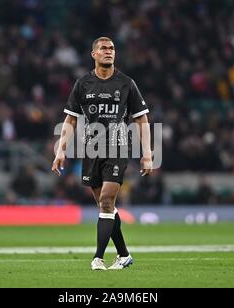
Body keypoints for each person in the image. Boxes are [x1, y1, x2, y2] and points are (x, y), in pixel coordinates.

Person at [52, 37, 153, 270]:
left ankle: (97, 257)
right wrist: (61, 150)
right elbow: (70, 119)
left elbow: (142, 119)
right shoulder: (83, 83)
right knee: (105, 207)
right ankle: (124, 254)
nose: (109, 52)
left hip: (117, 147)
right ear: (93, 54)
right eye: (103, 49)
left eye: (112, 49)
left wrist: (147, 153)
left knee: (107, 200)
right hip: (91, 150)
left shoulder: (127, 83)